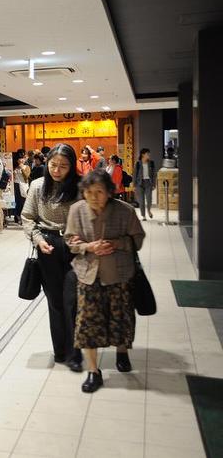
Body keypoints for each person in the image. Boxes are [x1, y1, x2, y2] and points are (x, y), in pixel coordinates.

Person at [65, 170, 145, 393]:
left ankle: (122, 351)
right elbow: (69, 241)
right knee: (87, 324)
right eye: (89, 192)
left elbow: (138, 240)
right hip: (88, 276)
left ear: (109, 192)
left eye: (99, 192)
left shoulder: (125, 211)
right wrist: (88, 246)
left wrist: (116, 244)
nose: (93, 197)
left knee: (121, 319)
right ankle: (93, 371)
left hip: (119, 275)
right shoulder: (76, 210)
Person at [21, 143, 83, 372]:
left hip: (75, 248)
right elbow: (27, 217)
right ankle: (60, 350)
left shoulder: (80, 187)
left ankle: (76, 352)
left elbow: (90, 216)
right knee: (55, 301)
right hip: (48, 247)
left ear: (72, 166)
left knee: (74, 301)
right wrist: (38, 239)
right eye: (53, 165)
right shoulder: (38, 186)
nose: (56, 170)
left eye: (63, 166)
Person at [134, 148, 156, 221]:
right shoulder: (138, 163)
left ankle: (149, 210)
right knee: (141, 201)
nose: (149, 155)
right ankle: (143, 216)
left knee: (149, 199)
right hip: (139, 183)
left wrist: (154, 184)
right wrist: (134, 185)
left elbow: (154, 174)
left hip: (148, 183)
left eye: (149, 153)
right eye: (147, 153)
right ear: (143, 154)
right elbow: (134, 175)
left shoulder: (151, 163)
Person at [13, 155, 31, 224]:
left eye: (22, 159)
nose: (21, 160)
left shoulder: (27, 167)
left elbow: (26, 177)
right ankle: (17, 217)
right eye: (19, 159)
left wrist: (22, 168)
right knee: (17, 202)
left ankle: (24, 218)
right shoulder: (16, 168)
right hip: (16, 186)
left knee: (23, 202)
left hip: (23, 186)